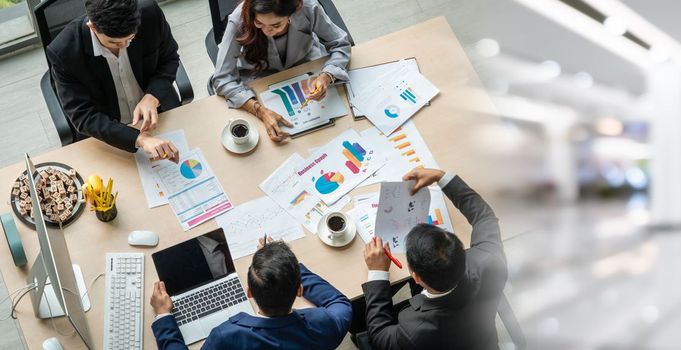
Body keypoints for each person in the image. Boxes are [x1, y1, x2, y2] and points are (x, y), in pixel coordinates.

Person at [355, 168, 508, 349]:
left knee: (357, 313)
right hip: (481, 338)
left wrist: (378, 273)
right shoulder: (491, 261)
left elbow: (380, 337)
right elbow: (485, 217)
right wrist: (441, 177)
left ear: (417, 277)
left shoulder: (414, 330)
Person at [150, 238, 353, 349]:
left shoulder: (226, 337)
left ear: (249, 293)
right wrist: (284, 266)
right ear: (299, 290)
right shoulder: (323, 323)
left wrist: (163, 317)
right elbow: (340, 303)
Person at [47, 0, 182, 162]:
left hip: (159, 114)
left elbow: (170, 59)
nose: (124, 46)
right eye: (113, 42)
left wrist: (152, 96)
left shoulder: (150, 14)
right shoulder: (63, 52)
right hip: (109, 132)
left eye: (130, 38)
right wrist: (139, 138)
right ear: (92, 27)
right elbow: (82, 115)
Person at [211, 0, 351, 143]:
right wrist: (260, 111)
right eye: (259, 23)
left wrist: (327, 75)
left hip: (305, 64)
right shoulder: (239, 19)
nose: (266, 31)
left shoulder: (309, 7)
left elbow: (340, 44)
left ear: (293, 12)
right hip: (259, 77)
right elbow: (222, 78)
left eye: (276, 25)